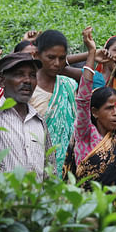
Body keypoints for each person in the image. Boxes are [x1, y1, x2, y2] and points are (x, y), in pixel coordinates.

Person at [62, 27, 116, 189]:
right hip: (82, 205)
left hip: (110, 209)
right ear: (95, 112)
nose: (115, 114)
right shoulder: (85, 133)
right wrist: (91, 53)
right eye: (109, 108)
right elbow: (83, 99)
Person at [0, 50, 55, 179]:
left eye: (32, 75)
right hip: (1, 198)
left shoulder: (39, 121)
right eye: (19, 74)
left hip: (36, 199)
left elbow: (50, 170)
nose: (28, 80)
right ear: (1, 81)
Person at [29, 30, 77, 174]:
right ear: (36, 55)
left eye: (62, 58)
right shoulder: (27, 88)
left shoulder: (68, 86)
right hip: (32, 163)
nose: (57, 63)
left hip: (66, 167)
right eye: (51, 57)